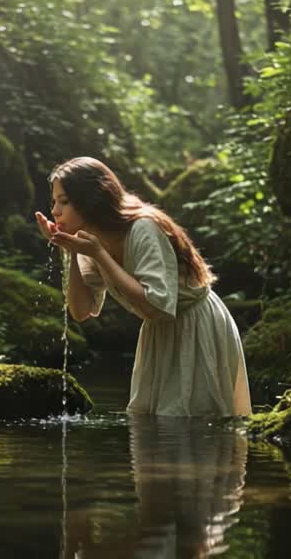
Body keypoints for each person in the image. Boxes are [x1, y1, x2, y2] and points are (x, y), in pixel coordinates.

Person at [35, 156, 252, 417]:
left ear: (90, 200)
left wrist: (99, 254)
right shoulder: (87, 244)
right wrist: (68, 249)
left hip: (195, 324)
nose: (55, 211)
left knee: (193, 424)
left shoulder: (143, 228)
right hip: (156, 334)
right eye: (54, 202)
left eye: (64, 202)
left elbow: (158, 306)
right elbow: (81, 311)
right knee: (149, 425)